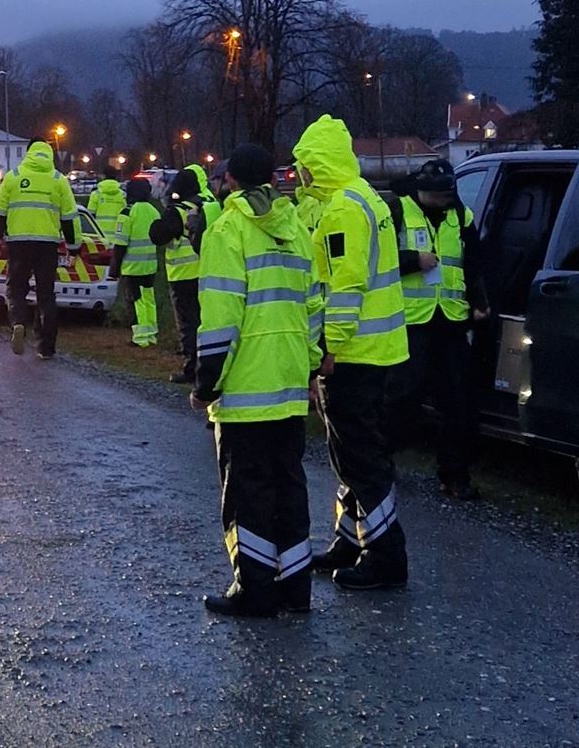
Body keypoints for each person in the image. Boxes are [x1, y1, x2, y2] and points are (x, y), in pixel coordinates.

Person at [191, 144, 321, 617]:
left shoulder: (228, 231)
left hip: (246, 390)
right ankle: (295, 589)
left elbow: (222, 320)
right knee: (289, 486)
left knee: (248, 490)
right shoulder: (297, 229)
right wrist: (308, 369)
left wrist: (207, 383)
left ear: (229, 182)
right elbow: (313, 310)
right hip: (288, 387)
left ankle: (255, 590)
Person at [292, 115, 410, 592]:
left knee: (360, 457)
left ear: (318, 165)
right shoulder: (366, 196)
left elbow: (346, 287)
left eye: (302, 166)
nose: (298, 175)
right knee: (351, 451)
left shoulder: (342, 209)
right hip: (379, 350)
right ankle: (351, 538)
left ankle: (385, 554)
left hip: (356, 353)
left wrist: (330, 349)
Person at [385, 159, 490, 500]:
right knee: (403, 399)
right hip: (411, 322)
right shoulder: (396, 210)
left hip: (451, 321)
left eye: (448, 196)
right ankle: (381, 463)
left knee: (459, 402)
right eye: (438, 197)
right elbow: (376, 258)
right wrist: (414, 261)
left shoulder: (461, 216)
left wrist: (480, 301)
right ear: (421, 191)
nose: (445, 202)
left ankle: (455, 476)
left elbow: (474, 262)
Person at [0, 138, 80, 360]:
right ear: (49, 154)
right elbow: (70, 218)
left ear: (28, 153)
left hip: (18, 244)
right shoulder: (59, 180)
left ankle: (19, 322)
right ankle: (45, 346)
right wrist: (73, 247)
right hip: (47, 244)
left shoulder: (14, 177)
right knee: (46, 294)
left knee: (17, 288)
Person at [150, 163, 222, 383]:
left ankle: (191, 369)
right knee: (207, 322)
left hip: (183, 276)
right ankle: (210, 365)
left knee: (188, 325)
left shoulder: (178, 210)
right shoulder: (211, 204)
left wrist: (166, 209)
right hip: (209, 272)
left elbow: (158, 235)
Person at [108, 178, 161, 348]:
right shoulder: (154, 211)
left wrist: (114, 269)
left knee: (136, 301)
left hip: (132, 267)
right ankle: (152, 334)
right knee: (148, 299)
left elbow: (120, 245)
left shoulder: (127, 213)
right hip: (150, 265)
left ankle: (140, 337)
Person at [88, 166, 126, 242]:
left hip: (100, 237)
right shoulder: (123, 195)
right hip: (118, 236)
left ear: (103, 176)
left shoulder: (96, 194)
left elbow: (90, 216)